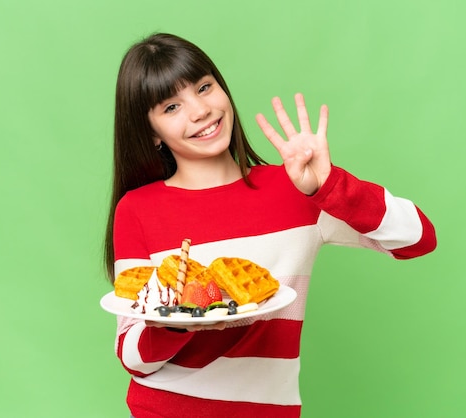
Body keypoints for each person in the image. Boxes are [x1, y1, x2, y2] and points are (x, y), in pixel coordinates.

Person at [103, 32, 436, 418]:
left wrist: (330, 186)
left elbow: (418, 238)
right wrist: (178, 323)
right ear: (152, 133)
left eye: (205, 87)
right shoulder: (138, 208)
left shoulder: (297, 188)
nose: (199, 111)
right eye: (172, 106)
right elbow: (132, 355)